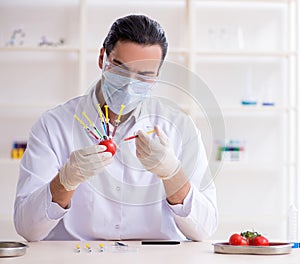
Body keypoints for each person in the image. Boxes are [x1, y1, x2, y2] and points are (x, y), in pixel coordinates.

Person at [14, 14, 218, 242]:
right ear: (103, 58)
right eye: (120, 69)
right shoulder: (54, 126)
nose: (130, 84)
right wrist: (65, 181)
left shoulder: (180, 126)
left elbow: (205, 230)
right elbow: (27, 228)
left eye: (144, 75)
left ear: (157, 77)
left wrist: (173, 174)